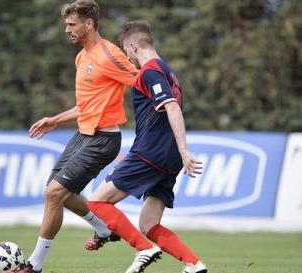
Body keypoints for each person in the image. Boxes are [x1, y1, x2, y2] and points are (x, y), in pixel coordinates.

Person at [17, 1, 138, 272]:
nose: (67, 29)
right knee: (58, 194)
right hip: (82, 135)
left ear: (89, 24)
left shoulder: (109, 54)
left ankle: (34, 266)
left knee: (53, 193)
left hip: (104, 139)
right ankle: (104, 228)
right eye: (66, 24)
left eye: (71, 24)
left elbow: (141, 80)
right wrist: (55, 120)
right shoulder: (81, 57)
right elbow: (85, 106)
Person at [87, 21, 207, 273]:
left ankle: (143, 249)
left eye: (126, 51)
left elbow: (172, 107)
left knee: (97, 203)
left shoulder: (149, 72)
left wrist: (185, 150)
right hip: (169, 158)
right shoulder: (168, 71)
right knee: (149, 224)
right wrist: (180, 152)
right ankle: (194, 265)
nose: (128, 57)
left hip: (150, 153)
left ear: (133, 46)